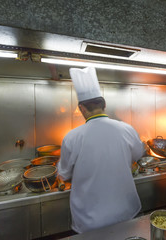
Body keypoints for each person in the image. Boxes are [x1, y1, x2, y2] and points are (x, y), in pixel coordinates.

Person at [57, 67, 144, 233]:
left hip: (90, 221)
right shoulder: (126, 129)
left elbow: (64, 174)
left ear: (81, 108)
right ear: (104, 104)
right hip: (125, 213)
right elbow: (138, 154)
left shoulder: (72, 137)